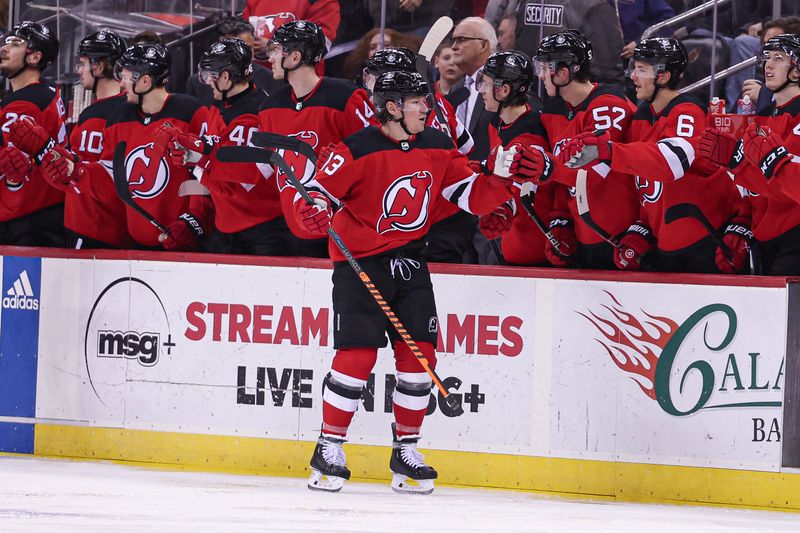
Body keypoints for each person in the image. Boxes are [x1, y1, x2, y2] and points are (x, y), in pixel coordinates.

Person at [296, 70, 542, 494]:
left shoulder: (436, 145)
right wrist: (314, 208)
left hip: (410, 262)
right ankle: (328, 446)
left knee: (420, 360)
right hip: (361, 264)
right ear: (392, 108)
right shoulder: (354, 148)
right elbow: (317, 193)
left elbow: (470, 195)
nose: (427, 108)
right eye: (417, 102)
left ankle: (405, 451)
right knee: (356, 358)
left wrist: (500, 181)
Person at [561, 38, 751, 274]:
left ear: (663, 76)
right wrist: (642, 228)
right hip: (665, 249)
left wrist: (608, 150)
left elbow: (672, 162)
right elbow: (644, 184)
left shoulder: (688, 111)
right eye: (633, 68)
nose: (633, 77)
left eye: (641, 69)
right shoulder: (641, 118)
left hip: (710, 244)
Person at [39, 43, 214, 252]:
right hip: (136, 246)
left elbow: (205, 175)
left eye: (125, 76)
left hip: (184, 243)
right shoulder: (118, 119)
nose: (121, 83)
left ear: (145, 81)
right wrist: (75, 170)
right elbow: (112, 177)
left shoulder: (192, 112)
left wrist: (194, 222)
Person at [160, 38, 296, 256]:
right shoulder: (219, 109)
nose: (206, 82)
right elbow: (215, 171)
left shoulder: (258, 114)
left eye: (209, 76)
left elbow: (239, 183)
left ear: (225, 77)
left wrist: (196, 161)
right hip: (226, 229)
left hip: (264, 232)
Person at [257, 20, 376, 257]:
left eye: (276, 50)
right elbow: (263, 171)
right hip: (293, 229)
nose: (269, 58)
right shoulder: (269, 107)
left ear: (294, 57)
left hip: (344, 231)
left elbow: (375, 157)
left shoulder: (344, 97)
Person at [10, 29, 131, 249]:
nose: (80, 71)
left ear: (99, 66)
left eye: (83, 64)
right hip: (98, 228)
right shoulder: (117, 109)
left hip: (95, 230)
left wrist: (43, 149)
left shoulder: (104, 116)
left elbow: (85, 175)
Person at [532, 30, 639, 270]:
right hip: (583, 236)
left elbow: (593, 174)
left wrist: (547, 167)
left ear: (563, 73)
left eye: (545, 68)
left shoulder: (609, 106)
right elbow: (562, 180)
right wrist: (560, 219)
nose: (540, 76)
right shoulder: (555, 111)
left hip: (619, 240)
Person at [362, 46, 475, 263]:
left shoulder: (394, 114)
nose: (369, 83)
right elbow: (467, 146)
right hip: (445, 214)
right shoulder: (437, 102)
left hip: (432, 219)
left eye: (374, 77)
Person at [700, 34, 800, 275]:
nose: (769, 65)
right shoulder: (764, 115)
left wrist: (738, 163)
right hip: (764, 235)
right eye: (767, 58)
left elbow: (786, 189)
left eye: (779, 58)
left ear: (796, 71)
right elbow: (753, 189)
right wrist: (742, 222)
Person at [476, 50, 555, 266]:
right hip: (512, 244)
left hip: (534, 252)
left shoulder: (531, 134)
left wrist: (502, 205)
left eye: (486, 83)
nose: (481, 90)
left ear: (503, 90)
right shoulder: (498, 123)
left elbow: (528, 189)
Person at [0, 21, 66, 247]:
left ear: (34, 57)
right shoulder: (46, 92)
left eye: (15, 43)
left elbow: (8, 161)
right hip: (42, 213)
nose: (4, 48)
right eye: (6, 42)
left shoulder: (26, 103)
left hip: (26, 219)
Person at [514, 1, 626, 87]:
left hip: (575, 102)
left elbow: (607, 70)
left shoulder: (594, 5)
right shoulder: (525, 3)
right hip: (531, 100)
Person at [184, 16, 279, 105]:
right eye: (236, 51)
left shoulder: (271, 80)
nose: (244, 55)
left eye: (248, 48)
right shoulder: (197, 83)